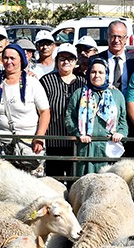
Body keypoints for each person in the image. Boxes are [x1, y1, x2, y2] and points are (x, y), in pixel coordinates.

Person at [0, 44, 49, 173]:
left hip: (28, 144)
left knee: (32, 186)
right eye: (6, 58)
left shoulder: (32, 83)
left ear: (20, 60)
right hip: (0, 145)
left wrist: (39, 137)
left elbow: (45, 112)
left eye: (12, 58)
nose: (9, 61)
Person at [65, 58, 127, 176]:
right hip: (87, 148)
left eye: (101, 72)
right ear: (88, 73)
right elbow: (69, 118)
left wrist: (120, 133)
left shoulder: (117, 95)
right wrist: (79, 134)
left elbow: (123, 120)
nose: (96, 75)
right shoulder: (79, 94)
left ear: (106, 74)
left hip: (109, 147)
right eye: (93, 72)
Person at [40, 43, 85, 178]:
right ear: (57, 61)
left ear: (75, 61)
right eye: (62, 58)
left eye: (70, 59)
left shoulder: (82, 83)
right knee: (54, 180)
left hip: (76, 142)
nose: (66, 62)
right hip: (54, 140)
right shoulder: (47, 80)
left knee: (75, 180)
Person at [95, 20, 134, 92]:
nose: (116, 40)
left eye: (120, 37)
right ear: (107, 37)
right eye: (113, 36)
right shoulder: (96, 60)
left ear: (126, 39)